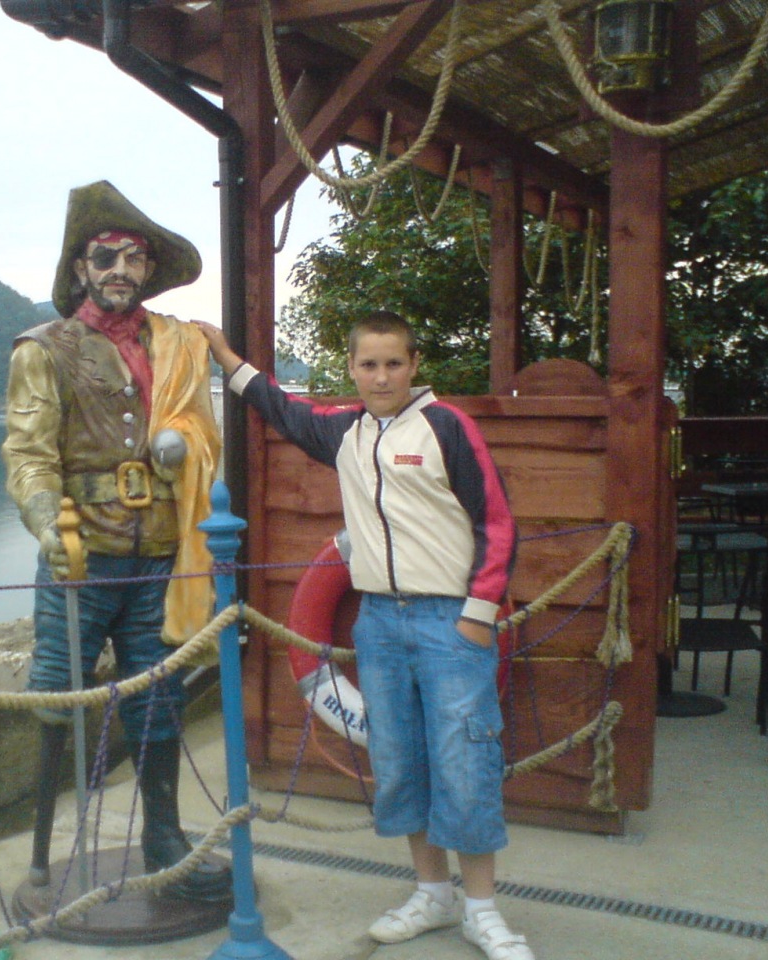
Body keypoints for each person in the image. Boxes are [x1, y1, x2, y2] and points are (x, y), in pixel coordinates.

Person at [195, 313, 530, 959]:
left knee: (466, 762)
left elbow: (497, 521)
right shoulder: (342, 431)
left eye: (393, 363)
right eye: (369, 364)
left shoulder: (446, 426)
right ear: (351, 368)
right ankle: (431, 894)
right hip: (377, 623)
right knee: (399, 761)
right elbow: (279, 405)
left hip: (449, 622)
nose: (381, 377)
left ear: (415, 365)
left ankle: (483, 911)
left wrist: (477, 613)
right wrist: (224, 356)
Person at [2, 180, 228, 899]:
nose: (120, 269)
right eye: (106, 256)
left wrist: (183, 446)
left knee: (158, 694)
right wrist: (47, 524)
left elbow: (202, 425)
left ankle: (163, 837)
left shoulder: (176, 345)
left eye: (134, 257)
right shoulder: (44, 349)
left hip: (159, 551)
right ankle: (42, 856)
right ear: (81, 268)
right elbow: (29, 453)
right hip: (81, 555)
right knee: (55, 694)